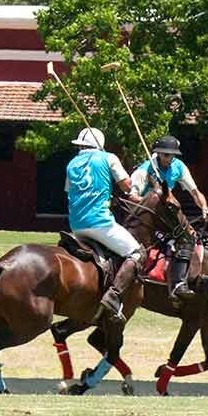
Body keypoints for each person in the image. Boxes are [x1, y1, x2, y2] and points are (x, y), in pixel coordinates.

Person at [65, 127, 142, 322]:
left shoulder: (72, 163)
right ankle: (114, 297)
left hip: (76, 225)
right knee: (137, 252)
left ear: (82, 146)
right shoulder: (108, 157)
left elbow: (69, 191)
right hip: (100, 222)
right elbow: (126, 185)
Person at [128, 134, 208, 305]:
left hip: (166, 217)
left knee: (188, 237)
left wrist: (204, 207)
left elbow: (195, 192)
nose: (169, 158)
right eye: (166, 155)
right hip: (146, 218)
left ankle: (178, 283)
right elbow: (132, 197)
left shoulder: (178, 167)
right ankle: (173, 284)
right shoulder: (144, 170)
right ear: (158, 153)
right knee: (182, 238)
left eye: (172, 155)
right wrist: (154, 200)